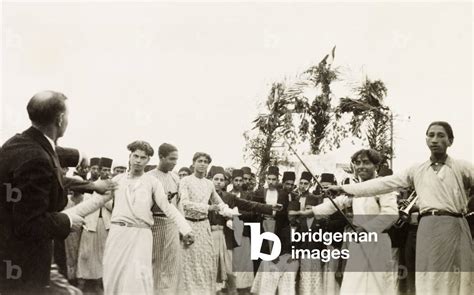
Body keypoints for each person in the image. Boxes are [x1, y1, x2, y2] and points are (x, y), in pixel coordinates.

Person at [327, 121, 474, 295]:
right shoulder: (416, 169)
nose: (434, 140)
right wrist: (344, 189)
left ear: (450, 141)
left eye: (440, 135)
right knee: (427, 277)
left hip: (454, 227)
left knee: (458, 277)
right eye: (430, 135)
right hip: (427, 228)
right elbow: (383, 183)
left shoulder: (463, 167)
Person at [63, 140, 193, 294]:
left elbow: (168, 207)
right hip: (117, 234)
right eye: (135, 156)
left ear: (148, 160)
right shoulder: (117, 180)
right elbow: (94, 203)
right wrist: (65, 215)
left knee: (137, 281)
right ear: (130, 156)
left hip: (141, 235)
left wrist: (186, 229)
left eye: (143, 157)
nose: (138, 160)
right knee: (113, 278)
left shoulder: (152, 182)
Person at [0, 91, 87, 292]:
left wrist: (79, 155)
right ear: (60, 118)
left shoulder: (17, 144)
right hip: (25, 268)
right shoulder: (37, 160)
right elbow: (29, 223)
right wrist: (67, 221)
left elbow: (50, 152)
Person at [300, 149, 399, 295]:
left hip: (378, 243)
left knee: (376, 287)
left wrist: (366, 229)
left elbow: (391, 214)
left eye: (366, 162)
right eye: (357, 163)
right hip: (358, 244)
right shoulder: (355, 188)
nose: (360, 166)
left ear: (376, 166)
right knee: (353, 286)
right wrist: (311, 211)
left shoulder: (384, 187)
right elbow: (338, 202)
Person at [208, 166, 282, 294]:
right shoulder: (204, 195)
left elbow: (249, 205)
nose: (219, 182)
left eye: (221, 179)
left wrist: (270, 207)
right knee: (209, 267)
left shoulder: (228, 197)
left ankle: (233, 291)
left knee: (229, 270)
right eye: (216, 179)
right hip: (207, 235)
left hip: (225, 237)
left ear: (225, 182)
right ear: (210, 180)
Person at [178, 152, 234, 295]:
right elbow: (184, 204)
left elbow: (219, 203)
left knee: (206, 262)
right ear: (193, 163)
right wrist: (207, 207)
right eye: (200, 161)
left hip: (204, 226)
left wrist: (228, 211)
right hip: (189, 225)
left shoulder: (209, 184)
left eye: (205, 162)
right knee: (189, 263)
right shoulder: (185, 181)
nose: (203, 164)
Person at [146, 143, 182, 295]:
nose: (174, 163)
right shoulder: (149, 177)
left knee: (171, 262)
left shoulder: (175, 178)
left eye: (176, 160)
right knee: (155, 261)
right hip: (155, 223)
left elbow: (179, 204)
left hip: (172, 224)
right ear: (161, 157)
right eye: (171, 159)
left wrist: (182, 227)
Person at [76, 157, 114, 292]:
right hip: (90, 224)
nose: (106, 172)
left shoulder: (112, 187)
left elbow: (112, 207)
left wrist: (105, 196)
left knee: (103, 253)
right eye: (104, 169)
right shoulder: (91, 185)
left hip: (105, 224)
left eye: (108, 170)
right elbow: (86, 205)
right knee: (85, 253)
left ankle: (99, 282)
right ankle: (81, 281)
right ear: (99, 170)